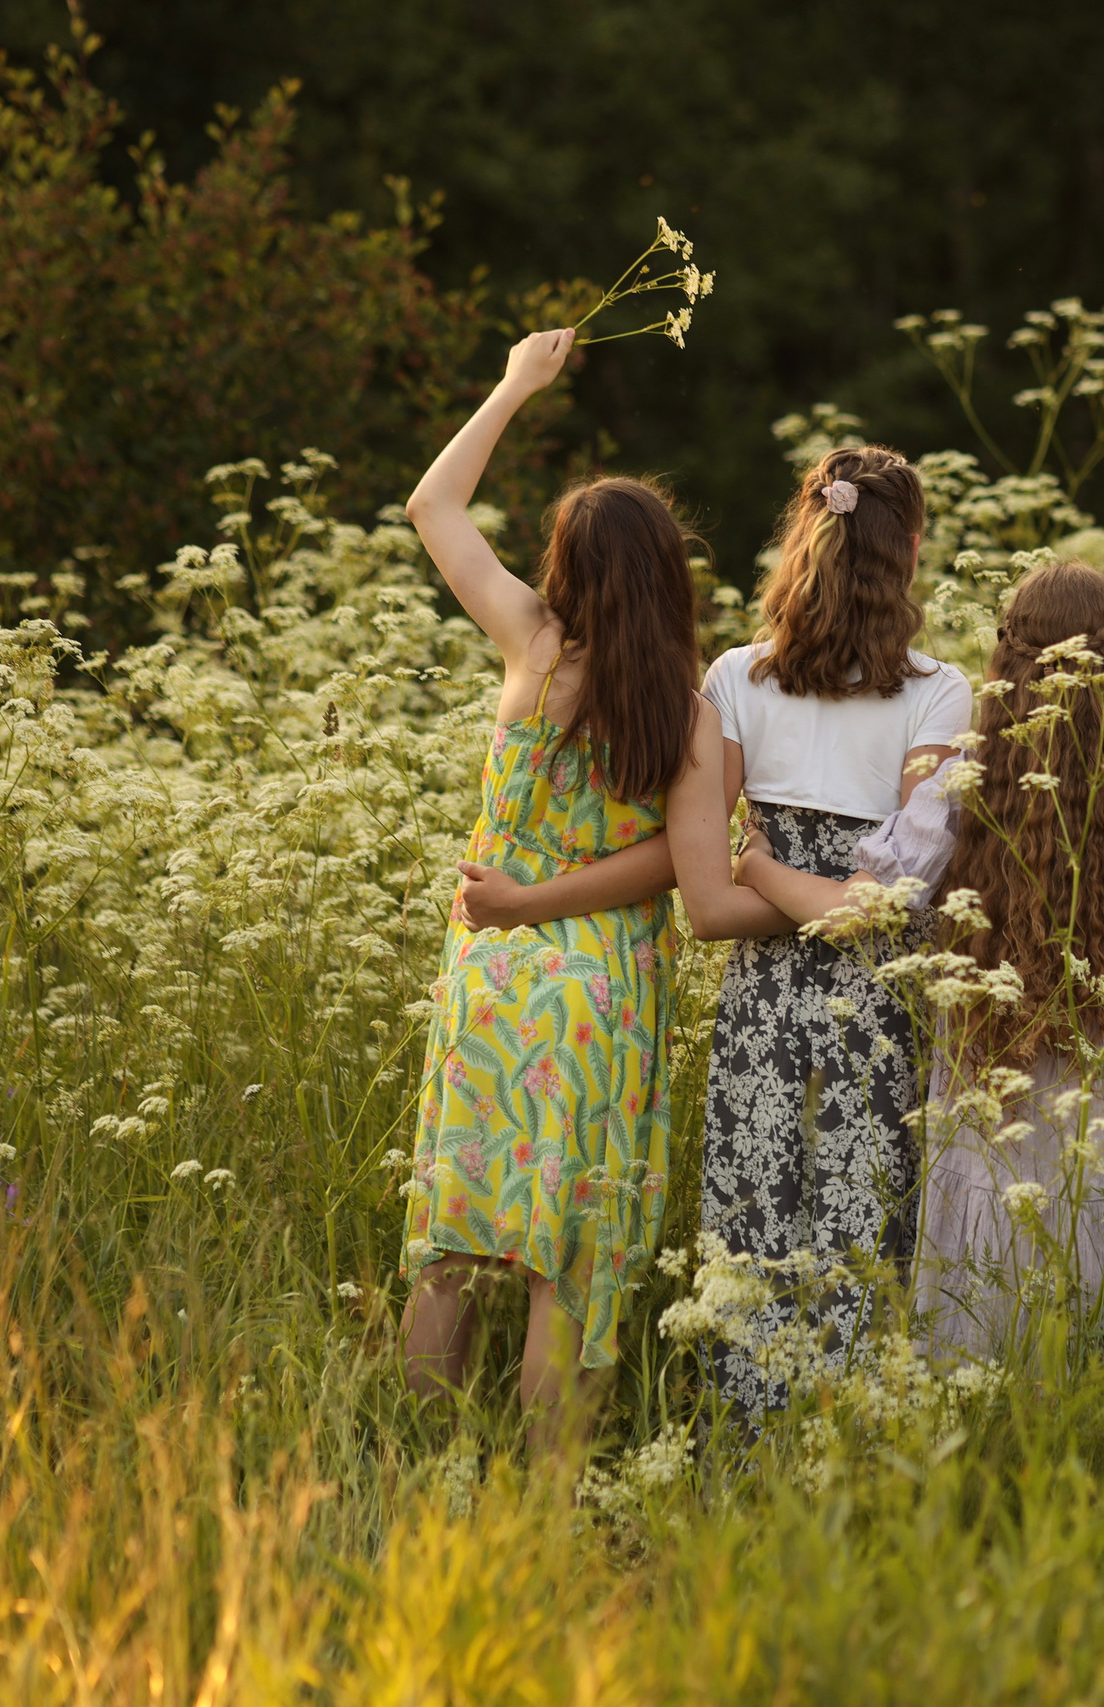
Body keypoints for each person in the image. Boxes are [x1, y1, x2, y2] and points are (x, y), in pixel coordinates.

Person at [469, 444, 969, 1420]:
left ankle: (747, 1457)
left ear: (803, 537)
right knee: (863, 1236)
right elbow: (897, 895)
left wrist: (764, 869)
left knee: (754, 1236)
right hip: (879, 1006)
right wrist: (840, 896)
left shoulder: (735, 680)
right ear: (908, 548)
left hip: (761, 1005)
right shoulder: (939, 692)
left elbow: (713, 902)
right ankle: (850, 1454)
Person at [735, 561, 1104, 1364]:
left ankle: (985, 1434)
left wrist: (756, 864)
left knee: (996, 1247)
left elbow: (857, 910)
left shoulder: (954, 796)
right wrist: (1100, 971)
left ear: (1004, 663)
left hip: (989, 1055)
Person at [396, 326, 703, 1456]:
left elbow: (433, 507)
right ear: (668, 571)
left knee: (458, 1239)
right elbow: (679, 858)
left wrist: (516, 386)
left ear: (566, 561)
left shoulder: (533, 642)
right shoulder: (690, 697)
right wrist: (553, 903)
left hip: (491, 973)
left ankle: (424, 1475)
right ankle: (548, 1510)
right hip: (603, 986)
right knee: (569, 1263)